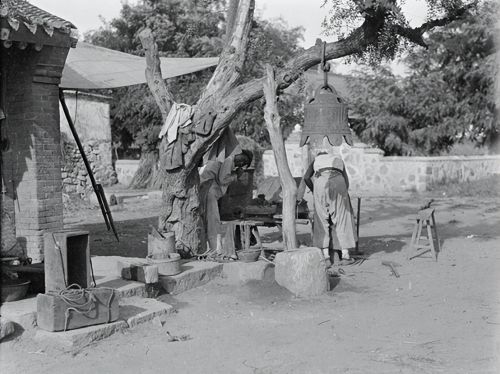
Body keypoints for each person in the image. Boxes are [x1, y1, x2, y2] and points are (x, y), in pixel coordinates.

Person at [300, 145, 357, 266]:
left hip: (321, 184)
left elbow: (306, 177)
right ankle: (346, 256)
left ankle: (326, 258)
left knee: (321, 219)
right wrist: (342, 200)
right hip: (339, 183)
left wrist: (315, 190)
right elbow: (346, 182)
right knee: (342, 219)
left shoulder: (316, 160)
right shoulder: (338, 159)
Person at [199, 150, 253, 258]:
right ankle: (215, 250)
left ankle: (207, 249)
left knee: (207, 221)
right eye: (242, 159)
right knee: (213, 221)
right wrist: (236, 176)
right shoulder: (229, 159)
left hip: (207, 188)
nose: (241, 163)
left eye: (244, 162)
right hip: (208, 189)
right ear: (239, 153)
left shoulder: (228, 160)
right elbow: (223, 180)